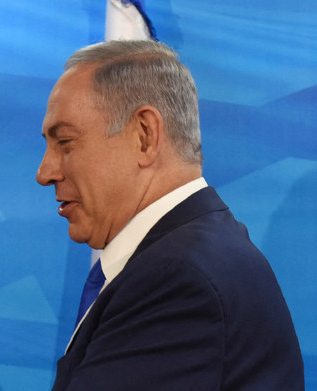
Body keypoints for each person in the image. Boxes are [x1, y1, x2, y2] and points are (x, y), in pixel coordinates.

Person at [37, 40, 304, 390]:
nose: (45, 172)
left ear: (145, 136)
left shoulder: (177, 280)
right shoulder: (204, 251)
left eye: (65, 143)